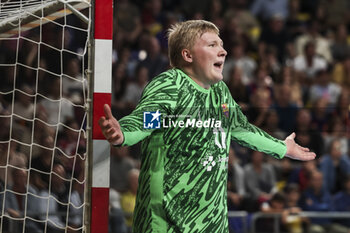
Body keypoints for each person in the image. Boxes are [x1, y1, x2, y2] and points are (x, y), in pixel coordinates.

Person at [99, 20, 316, 232]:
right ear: (188, 55)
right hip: (166, 222)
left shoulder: (220, 91)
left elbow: (241, 129)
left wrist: (282, 148)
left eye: (221, 45)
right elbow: (146, 120)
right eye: (212, 45)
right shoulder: (171, 85)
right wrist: (123, 134)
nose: (223, 51)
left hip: (212, 223)